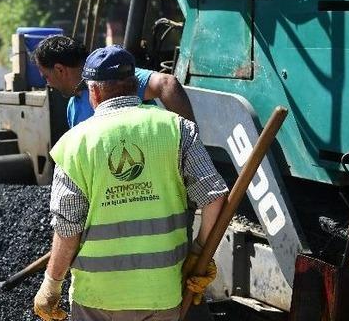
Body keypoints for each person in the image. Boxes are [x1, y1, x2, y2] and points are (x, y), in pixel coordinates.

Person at [33, 45, 228, 321]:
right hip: (162, 292)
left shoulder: (74, 144)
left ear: (94, 91)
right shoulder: (177, 129)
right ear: (135, 84)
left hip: (97, 298)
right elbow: (215, 197)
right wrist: (199, 252)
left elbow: (68, 228)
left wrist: (51, 285)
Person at [32, 35, 194, 125]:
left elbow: (167, 83)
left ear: (60, 69)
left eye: (46, 76)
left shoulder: (116, 79)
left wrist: (188, 146)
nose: (48, 83)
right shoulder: (73, 108)